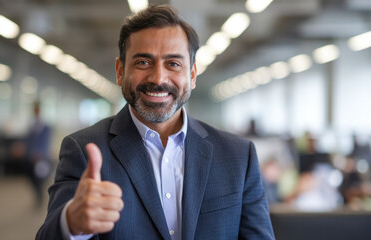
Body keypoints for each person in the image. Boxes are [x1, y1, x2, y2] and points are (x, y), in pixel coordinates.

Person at [36, 5, 274, 240]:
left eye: (173, 64)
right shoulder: (84, 150)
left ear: (191, 75)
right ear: (120, 71)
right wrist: (71, 223)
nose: (158, 78)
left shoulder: (238, 156)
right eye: (143, 62)